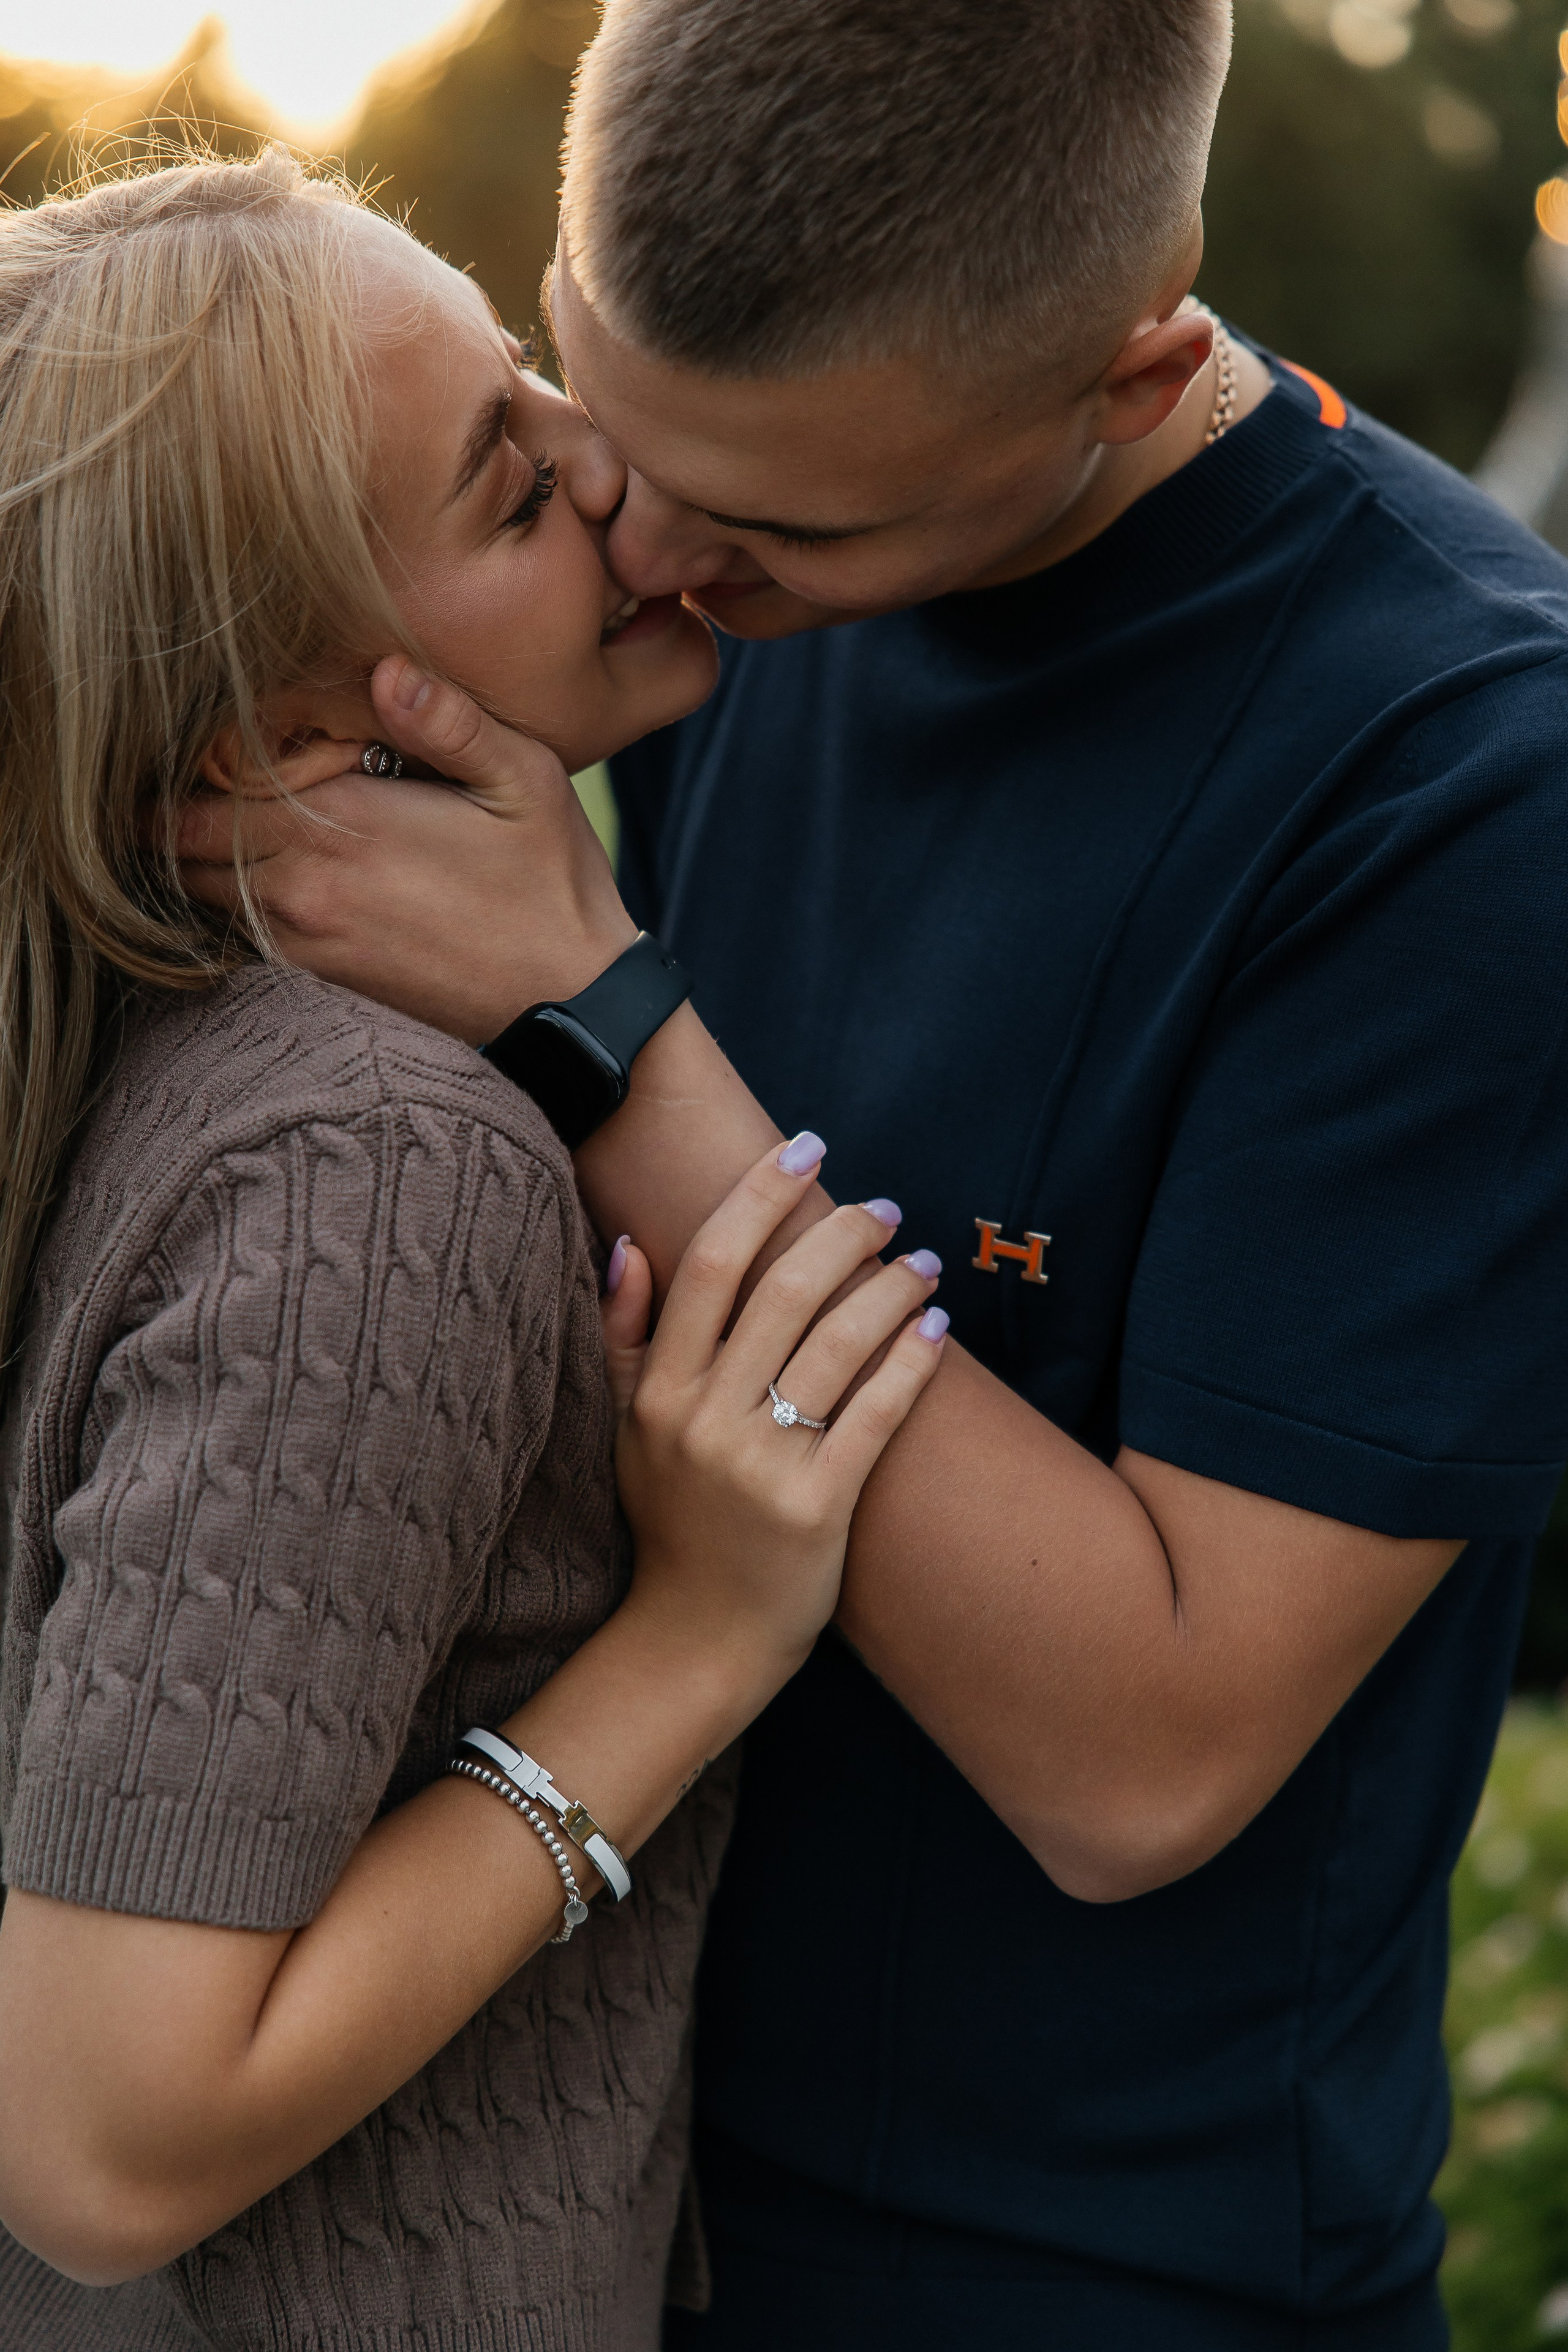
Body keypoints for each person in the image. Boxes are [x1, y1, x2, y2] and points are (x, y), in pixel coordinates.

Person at [175, 1, 1568, 2345]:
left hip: (1077, 2280)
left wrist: (608, 1027)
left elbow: (1145, 1760)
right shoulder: (733, 556)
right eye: (592, 418)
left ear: (1131, 371)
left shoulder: (1460, 788)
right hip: (553, 2201)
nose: (644, 546)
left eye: (782, 530)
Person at [0, 149, 947, 2352]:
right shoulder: (370, 1166)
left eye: (533, 386)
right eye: (512, 493)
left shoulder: (140, 1053)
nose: (611, 473)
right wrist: (699, 1640)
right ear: (281, 740)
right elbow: (100, 2141)